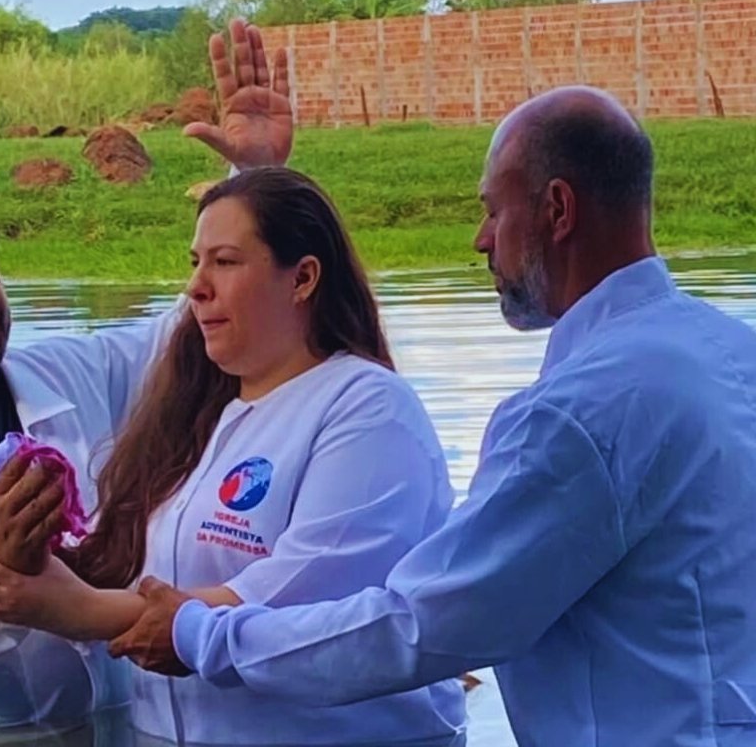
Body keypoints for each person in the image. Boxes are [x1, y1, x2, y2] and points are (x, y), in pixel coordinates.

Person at [106, 86, 756, 747]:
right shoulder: (734, 352)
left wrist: (199, 634)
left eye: (493, 211)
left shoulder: (579, 412)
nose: (481, 240)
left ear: (558, 210)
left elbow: (424, 627)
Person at [0, 19, 296, 741]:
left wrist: (253, 181)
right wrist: (0, 567)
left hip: (116, 723)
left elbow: (194, 332)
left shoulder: (70, 376)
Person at [0, 166, 468, 746]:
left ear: (303, 278)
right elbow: (119, 565)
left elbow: (294, 604)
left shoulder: (368, 407)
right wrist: (3, 548)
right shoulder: (195, 417)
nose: (196, 287)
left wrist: (77, 611)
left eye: (225, 262)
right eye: (195, 262)